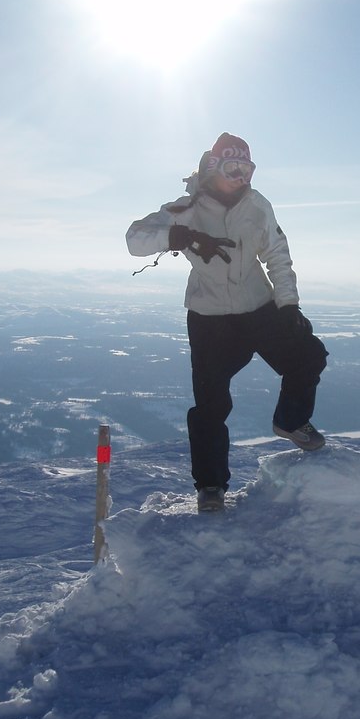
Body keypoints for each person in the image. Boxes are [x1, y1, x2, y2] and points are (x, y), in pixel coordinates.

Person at [126, 133, 328, 512]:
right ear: (214, 167)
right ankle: (211, 488)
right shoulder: (186, 208)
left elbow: (278, 256)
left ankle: (291, 421)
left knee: (309, 355)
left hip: (259, 308)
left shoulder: (257, 205)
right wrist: (175, 235)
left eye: (248, 169)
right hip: (211, 319)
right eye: (234, 168)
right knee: (210, 406)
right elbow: (134, 239)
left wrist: (288, 306)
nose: (242, 177)